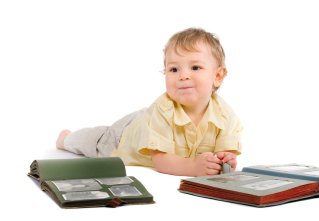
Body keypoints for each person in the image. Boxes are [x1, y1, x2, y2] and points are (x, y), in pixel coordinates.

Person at [56, 27, 243, 177]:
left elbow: (225, 152)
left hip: (148, 122)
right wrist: (193, 167)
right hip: (124, 137)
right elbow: (161, 161)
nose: (184, 76)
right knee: (96, 141)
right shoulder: (163, 110)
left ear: (218, 76)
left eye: (195, 67)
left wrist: (226, 159)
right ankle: (66, 139)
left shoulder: (226, 116)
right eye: (174, 69)